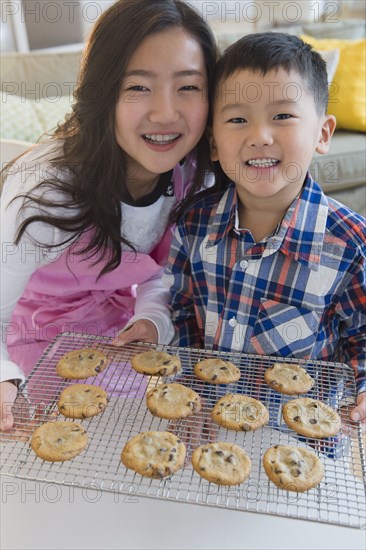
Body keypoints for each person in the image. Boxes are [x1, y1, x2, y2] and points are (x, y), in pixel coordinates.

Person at [0, 0, 217, 430]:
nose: (165, 113)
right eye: (138, 87)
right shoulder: (46, 188)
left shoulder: (194, 176)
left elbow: (163, 271)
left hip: (117, 327)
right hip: (32, 335)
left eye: (188, 87)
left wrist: (152, 317)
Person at [163, 32, 366, 431]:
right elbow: (183, 311)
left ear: (322, 134)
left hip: (300, 438)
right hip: (207, 424)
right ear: (215, 144)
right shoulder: (193, 224)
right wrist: (186, 386)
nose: (259, 136)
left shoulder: (350, 243)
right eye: (238, 119)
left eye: (283, 116)